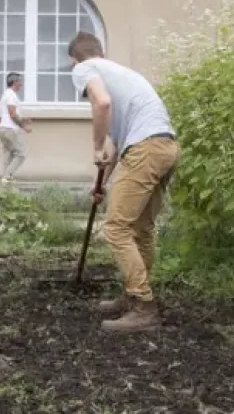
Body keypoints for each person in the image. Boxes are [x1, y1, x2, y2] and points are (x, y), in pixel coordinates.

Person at [68, 31, 179, 333]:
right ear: (101, 51)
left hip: (144, 148)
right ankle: (133, 295)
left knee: (116, 228)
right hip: (165, 146)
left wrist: (95, 144)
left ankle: (144, 307)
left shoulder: (84, 68)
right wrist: (100, 183)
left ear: (74, 59)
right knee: (141, 228)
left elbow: (101, 104)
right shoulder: (123, 74)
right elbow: (116, 144)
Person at [0, 72, 32, 184]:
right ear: (14, 82)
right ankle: (7, 176)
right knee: (21, 153)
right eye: (19, 81)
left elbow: (12, 114)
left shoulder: (6, 94)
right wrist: (23, 126)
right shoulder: (11, 95)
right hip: (9, 130)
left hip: (3, 129)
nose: (21, 84)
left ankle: (5, 180)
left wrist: (23, 119)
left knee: (9, 154)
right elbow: (12, 114)